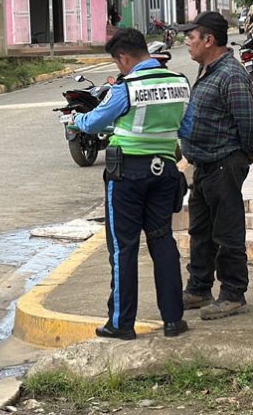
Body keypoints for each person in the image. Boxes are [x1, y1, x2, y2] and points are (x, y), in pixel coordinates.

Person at [71, 28, 191, 340]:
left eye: (118, 62)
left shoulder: (128, 86)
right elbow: (187, 125)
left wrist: (76, 120)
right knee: (162, 242)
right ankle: (174, 320)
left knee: (124, 248)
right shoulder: (179, 81)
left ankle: (122, 324)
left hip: (127, 175)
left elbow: (95, 121)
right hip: (165, 171)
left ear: (124, 58)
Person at [177, 11, 253, 320]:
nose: (187, 43)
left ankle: (233, 293)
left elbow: (247, 121)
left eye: (191, 37)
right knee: (200, 231)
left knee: (227, 231)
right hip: (205, 164)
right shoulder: (208, 70)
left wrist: (242, 158)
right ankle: (198, 288)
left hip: (224, 162)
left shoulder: (231, 74)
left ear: (210, 40)